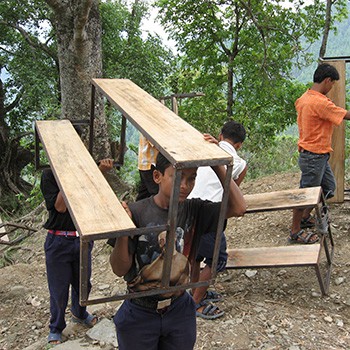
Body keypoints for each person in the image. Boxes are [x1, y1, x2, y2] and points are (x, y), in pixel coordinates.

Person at [109, 151, 246, 350]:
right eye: (178, 177)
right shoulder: (136, 212)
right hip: (140, 312)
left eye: (192, 179)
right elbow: (119, 269)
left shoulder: (195, 210)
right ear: (157, 176)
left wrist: (217, 164)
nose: (185, 186)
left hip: (179, 309)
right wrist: (123, 232)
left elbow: (239, 208)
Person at [41, 148, 113, 346]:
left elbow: (95, 195)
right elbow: (60, 206)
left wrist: (97, 172)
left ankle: (79, 313)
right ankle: (56, 327)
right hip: (58, 241)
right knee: (59, 289)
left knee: (83, 283)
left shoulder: (84, 169)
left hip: (81, 239)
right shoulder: (48, 175)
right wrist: (71, 174)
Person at [188, 120, 247, 320]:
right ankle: (195, 303)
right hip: (211, 212)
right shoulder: (239, 163)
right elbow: (232, 193)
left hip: (188, 209)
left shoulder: (205, 147)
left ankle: (194, 293)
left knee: (195, 255)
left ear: (220, 135)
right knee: (216, 259)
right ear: (239, 145)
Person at [290, 63, 350, 244]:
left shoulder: (304, 98)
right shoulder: (320, 102)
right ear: (327, 80)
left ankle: (305, 217)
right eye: (332, 84)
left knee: (329, 187)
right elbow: (345, 115)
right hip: (313, 156)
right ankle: (295, 231)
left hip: (316, 155)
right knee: (306, 194)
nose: (332, 88)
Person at [136, 134, 159, 200]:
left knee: (144, 192)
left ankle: (135, 208)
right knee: (156, 192)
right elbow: (157, 143)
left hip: (145, 164)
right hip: (150, 164)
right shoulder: (152, 127)